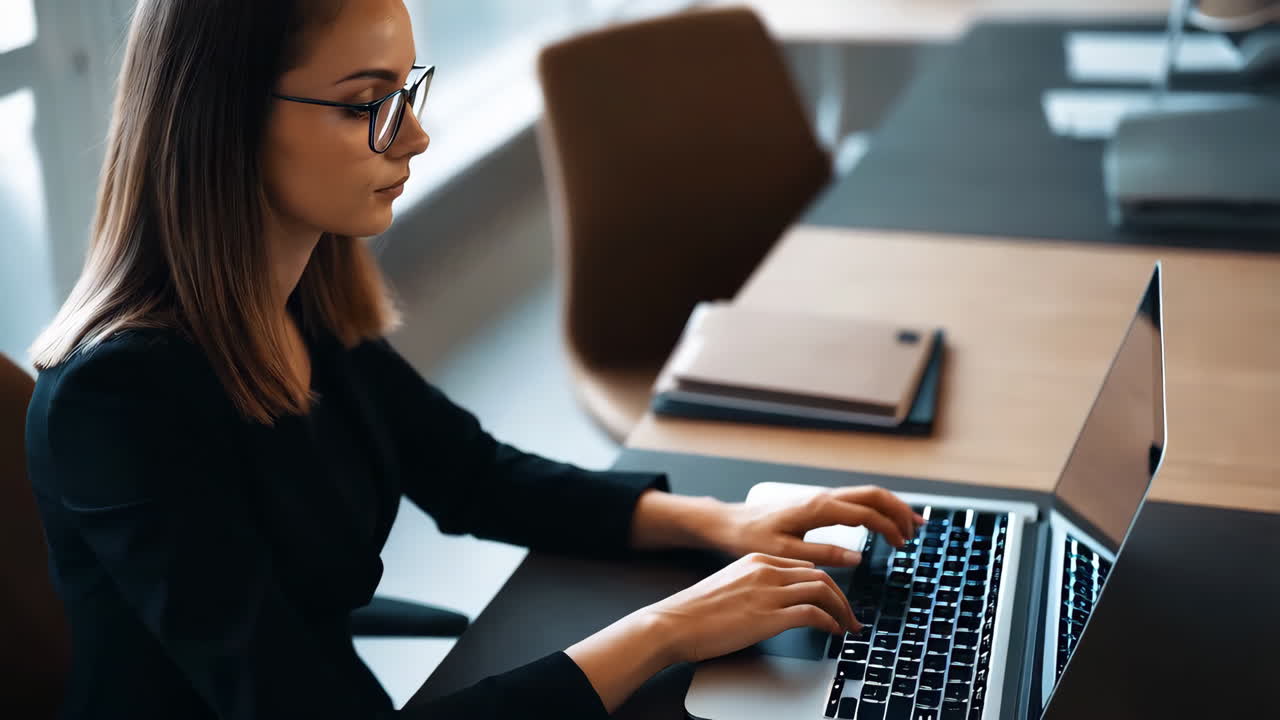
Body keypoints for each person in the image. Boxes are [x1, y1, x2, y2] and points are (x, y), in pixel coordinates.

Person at [23, 1, 924, 717]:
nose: (412, 137)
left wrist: (718, 522)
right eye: (366, 104)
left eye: (406, 90)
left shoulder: (294, 299)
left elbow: (473, 476)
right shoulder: (117, 402)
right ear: (221, 118)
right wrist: (666, 631)